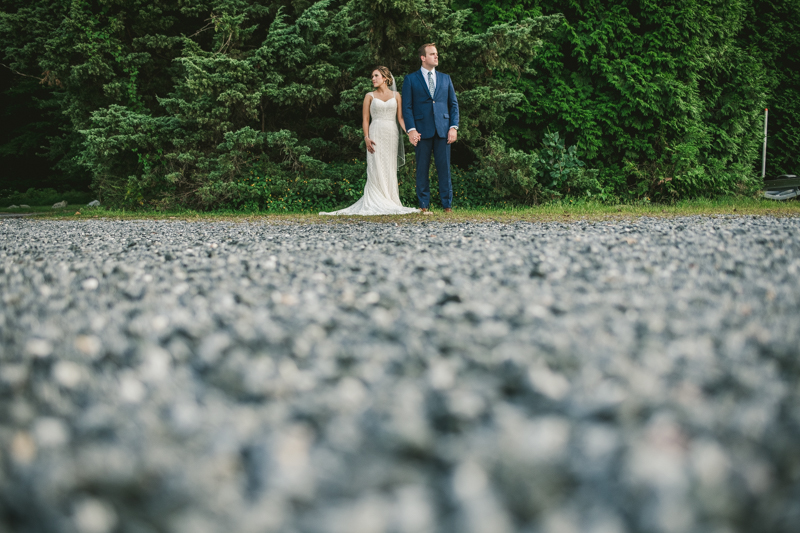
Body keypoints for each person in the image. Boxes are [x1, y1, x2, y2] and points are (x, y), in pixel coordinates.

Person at [320, 67, 420, 216]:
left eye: (376, 76)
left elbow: (400, 119)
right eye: (372, 76)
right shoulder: (369, 96)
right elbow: (365, 119)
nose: (373, 79)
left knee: (389, 167)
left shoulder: (396, 95)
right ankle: (375, 200)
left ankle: (390, 200)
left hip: (391, 134)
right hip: (375, 133)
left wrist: (411, 133)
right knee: (375, 166)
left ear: (385, 78)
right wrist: (366, 137)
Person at [401, 43, 459, 214]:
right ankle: (423, 205)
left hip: (443, 130)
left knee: (444, 170)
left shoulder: (445, 78)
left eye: (437, 54)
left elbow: (453, 105)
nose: (436, 56)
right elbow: (407, 108)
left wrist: (453, 127)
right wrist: (411, 129)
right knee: (422, 170)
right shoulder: (411, 79)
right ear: (423, 58)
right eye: (432, 54)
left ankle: (447, 206)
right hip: (421, 131)